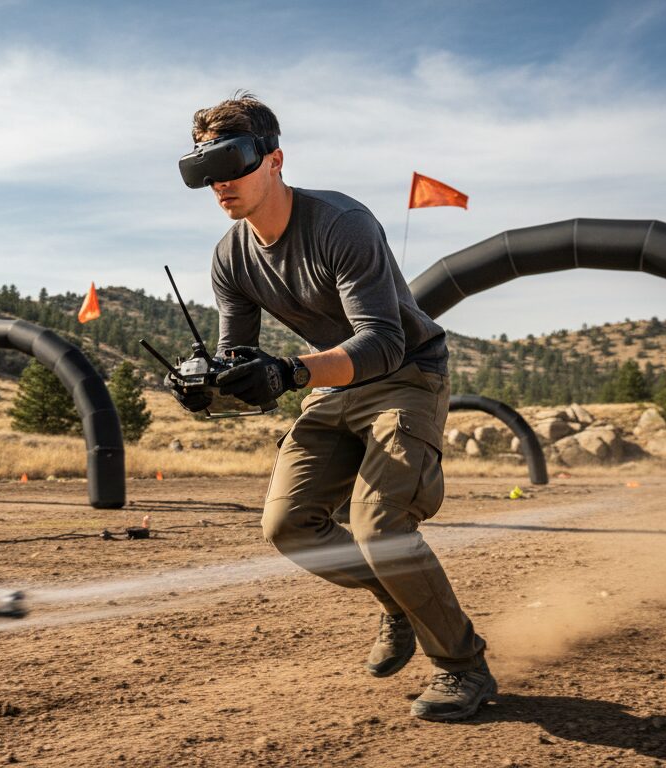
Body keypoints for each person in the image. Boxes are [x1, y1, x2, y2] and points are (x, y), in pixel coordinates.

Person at [169, 93, 494, 721]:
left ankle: (463, 668)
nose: (220, 185)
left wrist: (289, 371)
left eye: (232, 163)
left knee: (380, 527)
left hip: (405, 377)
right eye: (205, 171)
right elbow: (240, 357)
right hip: (331, 385)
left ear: (274, 159)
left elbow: (382, 339)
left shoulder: (342, 223)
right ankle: (399, 602)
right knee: (287, 526)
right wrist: (208, 384)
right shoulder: (228, 257)